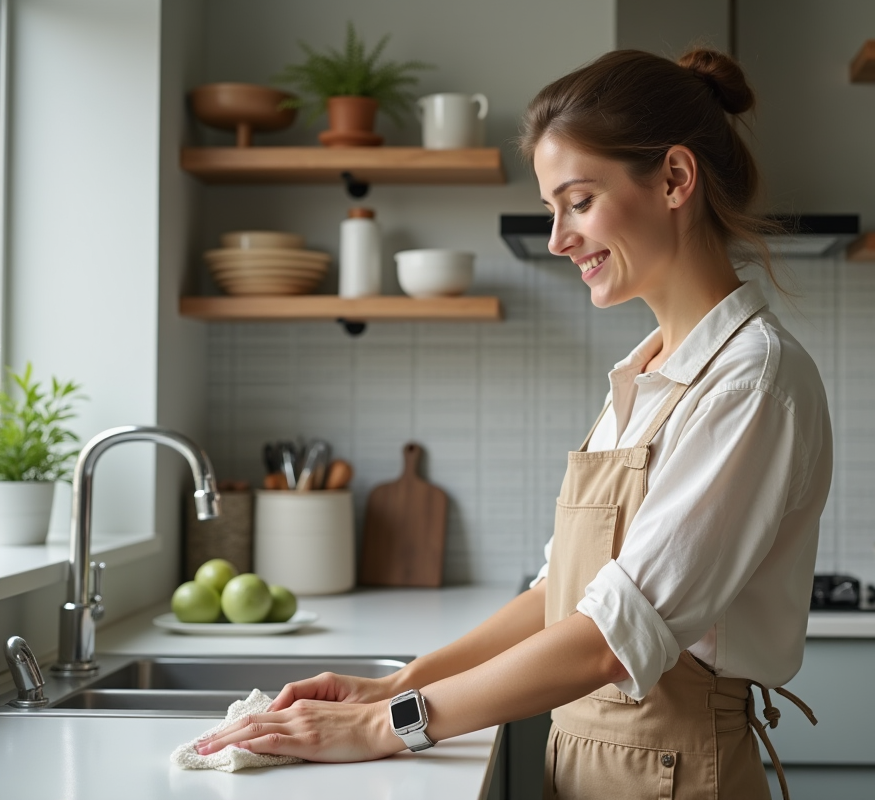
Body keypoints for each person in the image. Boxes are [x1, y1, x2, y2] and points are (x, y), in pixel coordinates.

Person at [195, 47, 833, 799]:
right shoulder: (648, 375)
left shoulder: (749, 380)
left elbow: (608, 638)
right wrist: (397, 683)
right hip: (597, 762)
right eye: (551, 209)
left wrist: (387, 725)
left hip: (677, 772)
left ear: (674, 179)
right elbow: (559, 595)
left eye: (580, 200)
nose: (560, 237)